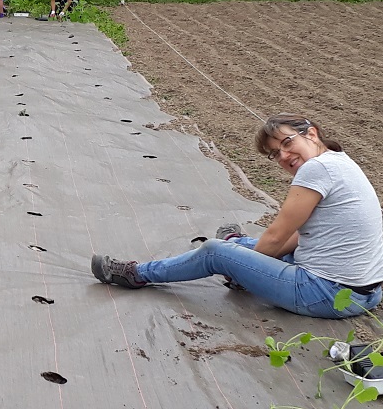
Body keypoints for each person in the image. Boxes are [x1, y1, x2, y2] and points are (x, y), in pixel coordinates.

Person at [91, 114, 383, 319]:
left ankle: (138, 274)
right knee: (243, 248)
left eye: (287, 143)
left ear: (312, 133)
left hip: (327, 294)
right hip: (365, 293)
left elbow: (277, 236)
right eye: (274, 154)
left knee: (215, 253)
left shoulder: (316, 170)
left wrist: (240, 273)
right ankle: (237, 244)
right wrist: (247, 258)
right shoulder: (338, 160)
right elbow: (300, 235)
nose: (282, 156)